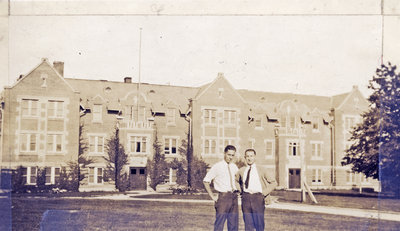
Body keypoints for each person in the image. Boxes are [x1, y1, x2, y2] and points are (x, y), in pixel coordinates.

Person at [235, 149, 277, 231]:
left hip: (258, 198)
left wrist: (263, 193)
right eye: (247, 156)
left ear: (255, 157)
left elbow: (273, 182)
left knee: (259, 224)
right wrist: (241, 191)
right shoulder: (242, 170)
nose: (249, 158)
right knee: (248, 224)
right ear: (245, 157)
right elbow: (236, 181)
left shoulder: (262, 169)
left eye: (251, 156)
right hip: (246, 198)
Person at [203, 145, 239, 231]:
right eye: (229, 154)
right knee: (219, 224)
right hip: (223, 197)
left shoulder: (234, 167)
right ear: (224, 153)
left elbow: (237, 181)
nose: (230, 157)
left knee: (233, 225)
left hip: (234, 197)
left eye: (232, 155)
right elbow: (206, 181)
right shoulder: (217, 166)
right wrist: (213, 196)